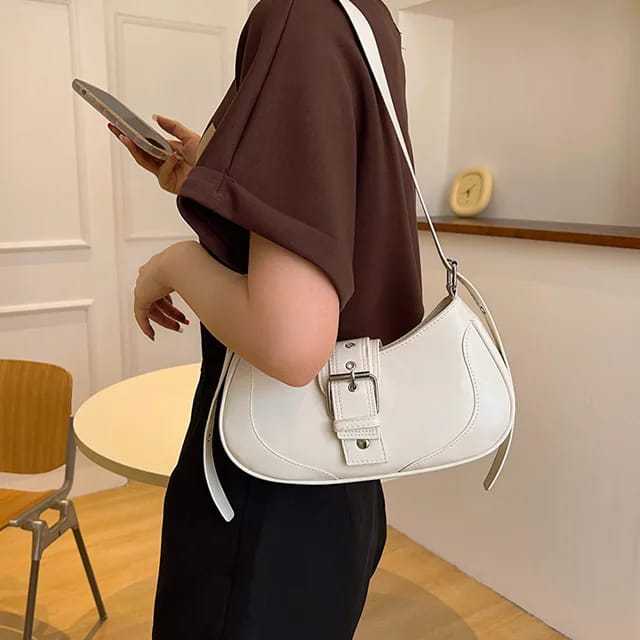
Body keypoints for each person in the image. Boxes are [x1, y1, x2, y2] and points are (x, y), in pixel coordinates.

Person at [111, 0, 424, 637]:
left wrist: (171, 265)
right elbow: (340, 224)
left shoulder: (298, 16)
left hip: (263, 494)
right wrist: (217, 178)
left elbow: (291, 342)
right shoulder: (361, 17)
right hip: (337, 465)